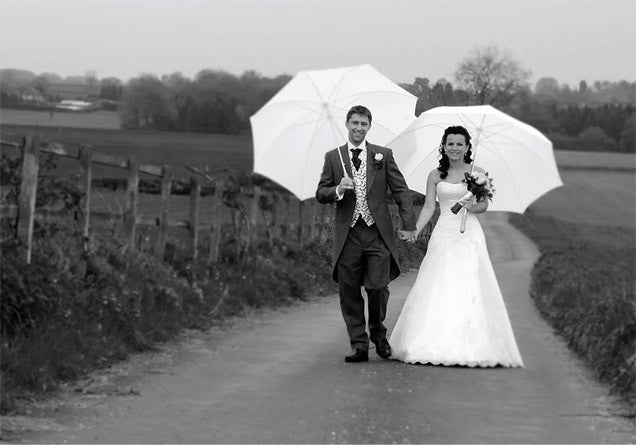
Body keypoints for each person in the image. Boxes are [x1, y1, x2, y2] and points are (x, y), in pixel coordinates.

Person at [389, 125, 524, 367]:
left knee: (467, 280)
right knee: (439, 279)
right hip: (443, 231)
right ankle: (429, 338)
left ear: (467, 147)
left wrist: (473, 205)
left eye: (459, 144)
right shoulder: (434, 175)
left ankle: (470, 342)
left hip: (468, 232)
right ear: (444, 146)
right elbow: (430, 206)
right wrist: (416, 230)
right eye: (450, 143)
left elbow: (484, 205)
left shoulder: (477, 173)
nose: (454, 148)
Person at [316, 105, 417, 363]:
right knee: (348, 290)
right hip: (348, 234)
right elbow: (321, 192)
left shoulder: (383, 155)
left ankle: (378, 335)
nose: (359, 128)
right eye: (355, 123)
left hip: (377, 233)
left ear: (369, 126)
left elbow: (400, 190)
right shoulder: (333, 157)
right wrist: (338, 189)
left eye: (364, 124)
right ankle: (359, 344)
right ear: (347, 125)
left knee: (378, 286)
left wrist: (408, 224)